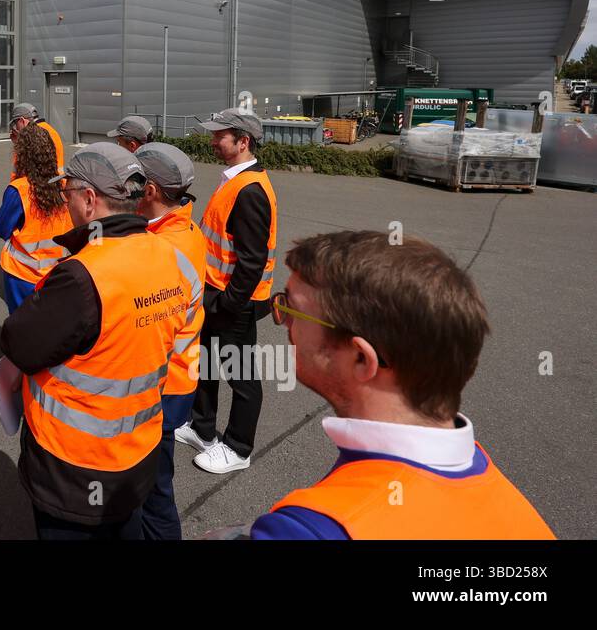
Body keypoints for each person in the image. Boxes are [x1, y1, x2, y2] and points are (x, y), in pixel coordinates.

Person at [252, 231, 554, 539]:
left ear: (361, 358)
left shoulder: (310, 531)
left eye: (293, 311)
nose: (284, 321)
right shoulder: (515, 510)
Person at [0, 143, 199, 540]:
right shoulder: (170, 257)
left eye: (67, 192)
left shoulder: (82, 275)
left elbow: (18, 343)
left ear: (89, 200)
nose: (64, 201)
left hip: (74, 464)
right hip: (138, 451)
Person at [177, 108, 277, 475]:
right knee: (205, 363)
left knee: (242, 375)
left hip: (235, 302)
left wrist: (229, 305)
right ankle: (203, 429)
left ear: (242, 142)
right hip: (215, 294)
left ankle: (238, 448)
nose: (213, 141)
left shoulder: (250, 190)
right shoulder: (234, 179)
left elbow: (251, 262)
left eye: (220, 136)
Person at [135, 142, 207, 540]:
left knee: (154, 489)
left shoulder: (160, 249)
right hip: (181, 376)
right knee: (156, 479)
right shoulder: (187, 230)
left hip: (162, 384)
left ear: (148, 190)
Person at [0, 123, 71, 314]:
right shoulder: (65, 185)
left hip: (22, 275)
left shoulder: (19, 189)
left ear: (22, 154)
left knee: (22, 328)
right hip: (57, 273)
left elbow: (2, 230)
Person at [9, 102, 64, 173]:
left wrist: (19, 143)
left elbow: (23, 164)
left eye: (16, 123)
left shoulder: (33, 134)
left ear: (22, 120)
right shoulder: (48, 129)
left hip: (41, 180)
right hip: (56, 179)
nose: (16, 128)